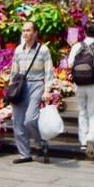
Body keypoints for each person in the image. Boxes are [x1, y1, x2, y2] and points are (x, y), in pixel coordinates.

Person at [11, 20, 54, 164]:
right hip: (20, 86)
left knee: (30, 118)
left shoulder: (43, 50)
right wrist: (11, 91)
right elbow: (14, 71)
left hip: (36, 85)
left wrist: (47, 90)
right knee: (17, 121)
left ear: (35, 33)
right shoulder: (18, 50)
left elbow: (48, 71)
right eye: (23, 30)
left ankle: (40, 142)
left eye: (28, 30)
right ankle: (24, 154)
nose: (25, 33)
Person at [67, 22, 94, 159]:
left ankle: (83, 141)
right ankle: (92, 137)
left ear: (84, 32)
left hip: (79, 83)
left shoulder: (77, 46)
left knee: (82, 111)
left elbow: (70, 65)